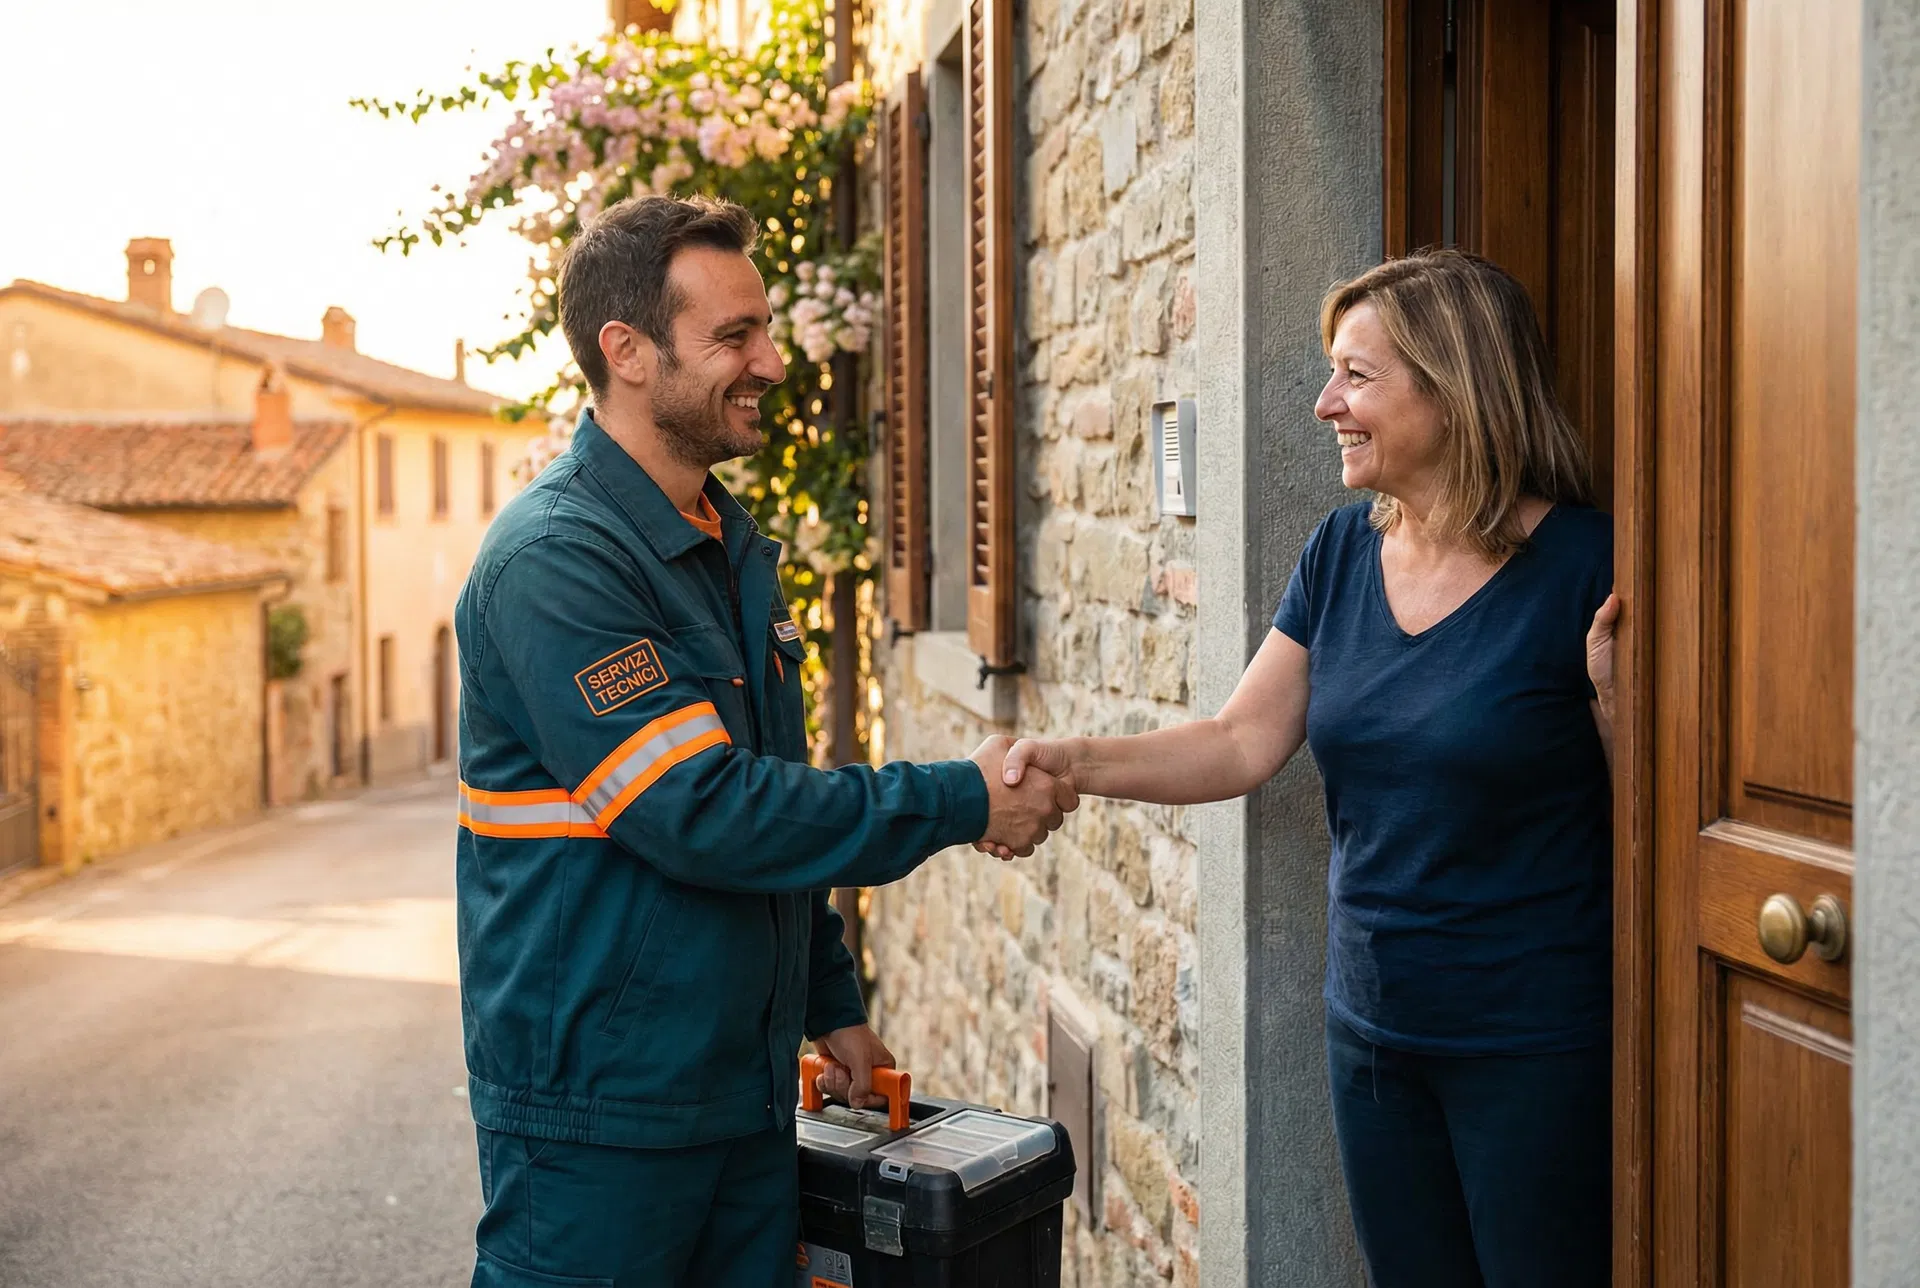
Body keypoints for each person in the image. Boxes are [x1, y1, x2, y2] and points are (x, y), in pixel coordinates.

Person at [453, 194, 1075, 1288]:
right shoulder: (558, 563)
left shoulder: (722, 546)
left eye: (767, 328)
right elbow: (704, 812)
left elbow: (773, 804)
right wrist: (963, 799)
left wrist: (829, 1002)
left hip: (735, 1102)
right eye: (735, 336)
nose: (773, 361)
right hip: (603, 1119)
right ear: (627, 352)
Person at [994, 250, 1619, 1288]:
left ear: (1454, 383)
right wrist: (1073, 759)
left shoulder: (1585, 566)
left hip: (1535, 1044)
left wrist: (1621, 704)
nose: (1328, 402)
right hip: (1373, 1036)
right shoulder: (1339, 553)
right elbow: (1241, 740)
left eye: (1357, 376)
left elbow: (1651, 817)